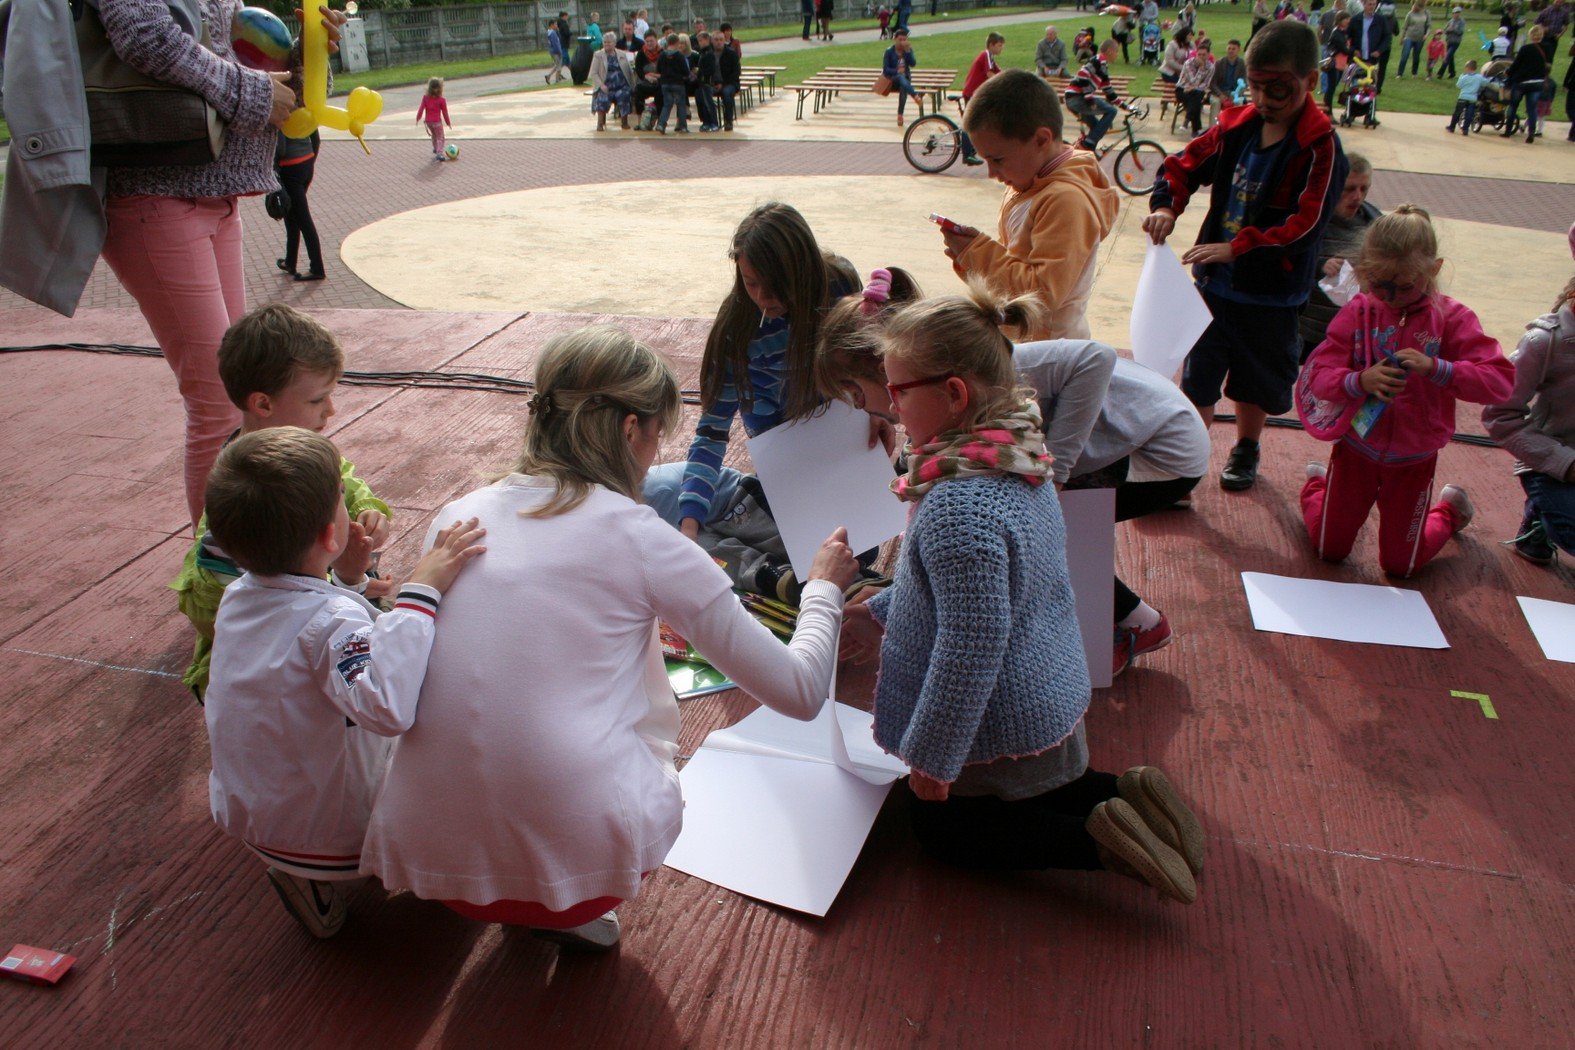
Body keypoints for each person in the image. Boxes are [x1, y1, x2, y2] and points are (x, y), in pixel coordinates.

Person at [360, 328, 859, 951]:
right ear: (629, 430)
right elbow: (801, 692)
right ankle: (559, 906)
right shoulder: (644, 539)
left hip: (434, 860)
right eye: (656, 436)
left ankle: (525, 885)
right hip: (586, 870)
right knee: (639, 709)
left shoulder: (460, 512)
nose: (654, 456)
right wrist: (823, 587)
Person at [838, 284, 1204, 904]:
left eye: (899, 392)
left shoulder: (957, 507)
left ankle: (1098, 846)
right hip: (1047, 687)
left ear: (954, 394)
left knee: (939, 829)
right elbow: (970, 592)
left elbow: (969, 648)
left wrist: (932, 761)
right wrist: (877, 611)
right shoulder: (1019, 458)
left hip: (999, 717)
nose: (891, 407)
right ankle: (1131, 795)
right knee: (1054, 787)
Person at [817, 271, 1210, 678]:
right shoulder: (964, 377)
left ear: (890, 369)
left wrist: (1058, 469)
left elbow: (1096, 358)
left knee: (1039, 530)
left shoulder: (1005, 370)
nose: (860, 407)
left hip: (1163, 449)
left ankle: (1140, 623)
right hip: (1133, 437)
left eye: (858, 394)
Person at [204, 426, 485, 938]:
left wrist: (349, 582)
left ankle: (305, 882)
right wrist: (421, 591)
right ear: (327, 536)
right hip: (338, 839)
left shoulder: (238, 596)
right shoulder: (330, 620)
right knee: (455, 722)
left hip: (255, 818)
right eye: (341, 495)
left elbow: (302, 630)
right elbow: (387, 707)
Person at [91, 0, 341, 528]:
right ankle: (219, 568)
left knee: (243, 385)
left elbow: (248, 75)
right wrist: (256, 93)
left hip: (217, 194)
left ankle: (261, 550)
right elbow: (145, 37)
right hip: (156, 192)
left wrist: (308, 57)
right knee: (218, 402)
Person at [1144, 20, 1348, 492]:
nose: (1263, 99)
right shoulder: (1235, 125)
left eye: (1278, 88)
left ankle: (1246, 447)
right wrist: (1165, 207)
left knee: (1256, 382)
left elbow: (1306, 225)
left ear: (1310, 81)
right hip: (1214, 288)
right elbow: (1182, 166)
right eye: (1254, 86)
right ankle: (1187, 463)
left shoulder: (1321, 148)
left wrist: (1238, 247)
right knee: (1198, 377)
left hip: (1272, 296)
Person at [173, 304, 394, 701]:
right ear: (263, 404)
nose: (331, 410)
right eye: (317, 400)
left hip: (312, 624)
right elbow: (225, 611)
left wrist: (370, 511)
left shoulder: (297, 455)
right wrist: (345, 587)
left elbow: (345, 480)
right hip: (265, 674)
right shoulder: (244, 496)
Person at [1297, 206, 1514, 577]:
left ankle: (1450, 511)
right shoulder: (1360, 310)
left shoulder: (1453, 318)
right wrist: (1359, 380)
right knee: (1327, 550)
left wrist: (1437, 368)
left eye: (1404, 285)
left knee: (1402, 566)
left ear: (1433, 270)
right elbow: (1318, 377)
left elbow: (1501, 382)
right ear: (1364, 270)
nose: (1391, 295)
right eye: (1378, 283)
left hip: (1414, 458)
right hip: (1356, 449)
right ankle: (1319, 486)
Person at [643, 204, 845, 568]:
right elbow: (712, 433)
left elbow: (869, 368)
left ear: (805, 273)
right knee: (665, 509)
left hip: (840, 456)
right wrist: (689, 527)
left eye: (778, 286)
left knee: (849, 548)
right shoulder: (737, 332)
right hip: (780, 471)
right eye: (751, 283)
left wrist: (877, 414)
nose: (764, 298)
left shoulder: (839, 291)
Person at [945, 69, 1119, 342]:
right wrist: (970, 258)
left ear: (1041, 140)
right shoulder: (1031, 182)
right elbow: (1018, 260)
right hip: (1028, 342)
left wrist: (976, 253)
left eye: (997, 160)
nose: (991, 173)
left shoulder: (1066, 200)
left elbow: (1041, 295)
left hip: (1050, 351)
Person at [1483, 275, 1575, 565]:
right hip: (1555, 462)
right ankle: (1539, 513)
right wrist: (1566, 463)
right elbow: (1499, 415)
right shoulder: (1543, 343)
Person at [1299, 152, 1380, 354]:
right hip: (1306, 333)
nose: (1357, 197)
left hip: (1350, 337)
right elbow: (1288, 263)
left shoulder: (1375, 226)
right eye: (1349, 189)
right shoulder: (1309, 222)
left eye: (1364, 189)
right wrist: (1320, 266)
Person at [273, 131, 323, 281]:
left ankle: (317, 268)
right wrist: (310, 159)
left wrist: (274, 168)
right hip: (306, 162)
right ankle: (290, 261)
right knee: (292, 213)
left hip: (290, 167)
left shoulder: (281, 114)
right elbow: (316, 139)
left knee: (303, 218)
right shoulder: (305, 114)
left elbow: (280, 148)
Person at [1066, 40, 1126, 150]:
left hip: (1074, 99)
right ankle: (1087, 144)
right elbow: (1082, 74)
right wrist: (1089, 98)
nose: (1117, 54)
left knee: (1097, 129)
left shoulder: (1103, 66)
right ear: (1110, 51)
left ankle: (1086, 152)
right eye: (1116, 51)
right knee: (1111, 111)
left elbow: (1108, 91)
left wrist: (1125, 106)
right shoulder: (1098, 60)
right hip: (1076, 97)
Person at [957, 32, 1006, 166]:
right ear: (991, 45)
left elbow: (1000, 72)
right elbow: (990, 74)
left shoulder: (990, 57)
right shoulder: (986, 55)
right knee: (970, 123)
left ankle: (974, 148)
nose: (1001, 48)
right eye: (999, 45)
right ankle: (967, 154)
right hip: (972, 93)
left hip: (977, 93)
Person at [1503, 25, 1551, 142]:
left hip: (1522, 82)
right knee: (1532, 109)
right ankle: (1531, 133)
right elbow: (1548, 66)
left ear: (1531, 36)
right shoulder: (1547, 49)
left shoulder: (1525, 49)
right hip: (1537, 82)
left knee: (1513, 106)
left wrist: (1508, 72)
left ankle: (1508, 131)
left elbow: (1516, 64)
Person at [590, 32, 635, 131]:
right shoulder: (598, 55)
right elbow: (593, 73)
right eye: (605, 42)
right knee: (602, 97)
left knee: (625, 95)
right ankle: (600, 123)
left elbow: (630, 70)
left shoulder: (622, 54)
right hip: (605, 86)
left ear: (614, 43)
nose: (607, 44)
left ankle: (624, 122)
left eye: (609, 42)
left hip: (621, 86)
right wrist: (601, 85)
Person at [884, 29, 924, 127]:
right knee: (900, 77)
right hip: (893, 80)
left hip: (905, 80)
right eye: (900, 39)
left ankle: (900, 115)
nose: (902, 42)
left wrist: (908, 51)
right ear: (895, 39)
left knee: (903, 86)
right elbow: (886, 70)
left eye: (904, 39)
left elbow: (913, 64)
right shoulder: (889, 51)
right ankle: (915, 96)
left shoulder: (907, 50)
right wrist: (897, 71)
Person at [1177, 37, 1217, 135]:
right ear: (1196, 54)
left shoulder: (1211, 67)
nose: (1201, 57)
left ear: (1208, 55)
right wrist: (1201, 69)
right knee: (1196, 100)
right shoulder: (1188, 63)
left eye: (1204, 54)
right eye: (1199, 54)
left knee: (1196, 96)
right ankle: (1195, 130)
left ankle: (1187, 121)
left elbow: (1206, 84)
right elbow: (1193, 81)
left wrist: (1194, 87)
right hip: (1182, 89)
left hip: (1196, 91)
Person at [1352, 0, 1393, 91]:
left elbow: (1387, 37)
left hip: (1373, 59)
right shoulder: (1355, 20)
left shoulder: (1381, 20)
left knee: (1371, 88)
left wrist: (1379, 50)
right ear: (1363, 4)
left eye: (1374, 4)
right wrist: (1353, 50)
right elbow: (1349, 38)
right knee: (1356, 87)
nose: (1372, 7)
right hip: (1358, 59)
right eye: (1369, 4)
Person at [655, 32, 690, 134]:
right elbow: (686, 71)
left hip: (665, 83)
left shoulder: (662, 55)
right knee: (681, 105)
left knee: (667, 104)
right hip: (678, 83)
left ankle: (661, 124)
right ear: (677, 42)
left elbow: (658, 69)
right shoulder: (679, 55)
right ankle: (683, 127)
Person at [712, 31, 742, 131]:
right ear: (712, 41)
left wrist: (723, 84)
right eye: (716, 40)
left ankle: (728, 120)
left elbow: (736, 72)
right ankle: (710, 121)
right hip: (713, 83)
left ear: (724, 40)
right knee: (702, 93)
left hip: (730, 83)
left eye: (721, 40)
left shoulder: (731, 53)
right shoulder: (708, 54)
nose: (718, 42)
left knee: (727, 93)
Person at [1445, 59, 1486, 133]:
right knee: (1469, 114)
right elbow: (1485, 83)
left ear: (1468, 68)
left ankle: (1452, 127)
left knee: (1457, 113)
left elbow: (1458, 85)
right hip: (1472, 99)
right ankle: (1465, 129)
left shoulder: (1464, 76)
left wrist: (1461, 77)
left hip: (1463, 97)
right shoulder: (1479, 77)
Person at [416, 78, 452, 161]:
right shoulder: (441, 100)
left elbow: (421, 109)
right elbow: (445, 113)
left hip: (428, 122)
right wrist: (448, 123)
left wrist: (418, 118)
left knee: (434, 135)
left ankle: (436, 148)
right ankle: (439, 153)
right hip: (437, 122)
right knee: (440, 137)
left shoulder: (425, 98)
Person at [1394, 0, 1429, 77]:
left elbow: (1428, 26)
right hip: (1409, 37)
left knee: (1416, 56)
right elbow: (1405, 27)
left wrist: (1426, 34)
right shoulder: (1410, 14)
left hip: (1420, 38)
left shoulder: (1426, 13)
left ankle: (1414, 72)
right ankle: (1400, 73)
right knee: (1405, 55)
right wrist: (1402, 38)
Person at [633, 32, 664, 118]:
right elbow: (638, 70)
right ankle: (640, 119)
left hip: (659, 82)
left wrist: (654, 76)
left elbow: (666, 71)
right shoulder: (641, 53)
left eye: (651, 41)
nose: (649, 43)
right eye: (647, 41)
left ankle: (661, 119)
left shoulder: (662, 53)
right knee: (638, 91)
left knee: (661, 92)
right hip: (645, 82)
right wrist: (646, 76)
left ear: (656, 40)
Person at [1213, 38, 1247, 109]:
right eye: (1229, 48)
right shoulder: (1219, 63)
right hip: (1220, 92)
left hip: (1235, 92)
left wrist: (1236, 94)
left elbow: (1245, 82)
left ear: (1239, 50)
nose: (1231, 51)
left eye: (1233, 49)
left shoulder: (1242, 64)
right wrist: (1220, 95)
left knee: (1239, 102)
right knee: (1216, 102)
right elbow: (1213, 83)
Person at [1441, 6, 1466, 78]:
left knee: (1447, 56)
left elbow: (1461, 32)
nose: (1456, 14)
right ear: (1453, 13)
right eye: (1455, 13)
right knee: (1450, 57)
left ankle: (1440, 73)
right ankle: (1452, 73)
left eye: (1458, 12)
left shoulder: (1461, 22)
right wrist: (1448, 30)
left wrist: (1454, 29)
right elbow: (1445, 30)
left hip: (1456, 42)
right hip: (1448, 41)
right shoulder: (1450, 21)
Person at [545, 18, 568, 82]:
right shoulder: (553, 33)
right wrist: (559, 52)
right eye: (555, 24)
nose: (557, 26)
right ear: (551, 25)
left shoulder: (549, 32)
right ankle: (557, 80)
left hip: (552, 51)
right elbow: (555, 44)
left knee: (557, 65)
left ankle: (548, 76)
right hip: (556, 51)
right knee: (559, 66)